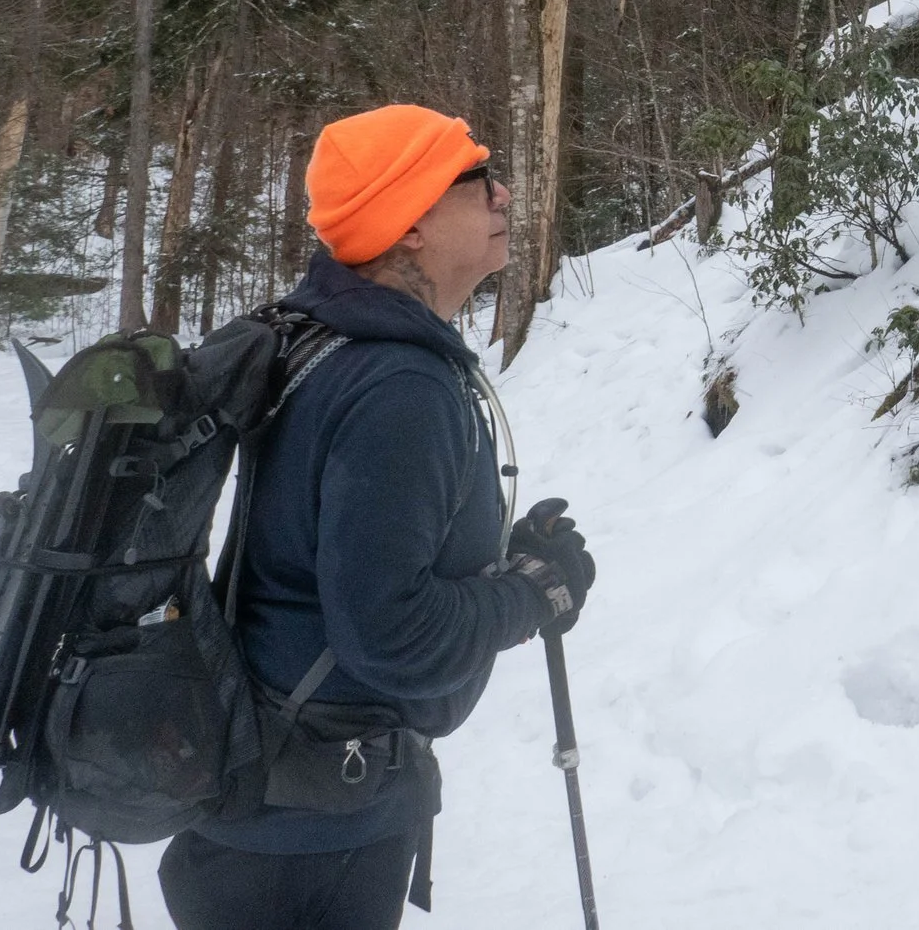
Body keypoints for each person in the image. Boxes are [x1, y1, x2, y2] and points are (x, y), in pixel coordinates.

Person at [157, 103, 597, 930]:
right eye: (476, 179)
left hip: (271, 815)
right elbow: (392, 633)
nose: (503, 193)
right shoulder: (398, 386)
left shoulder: (322, 342)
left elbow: (336, 553)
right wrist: (532, 595)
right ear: (411, 224)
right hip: (309, 845)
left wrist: (504, 558)